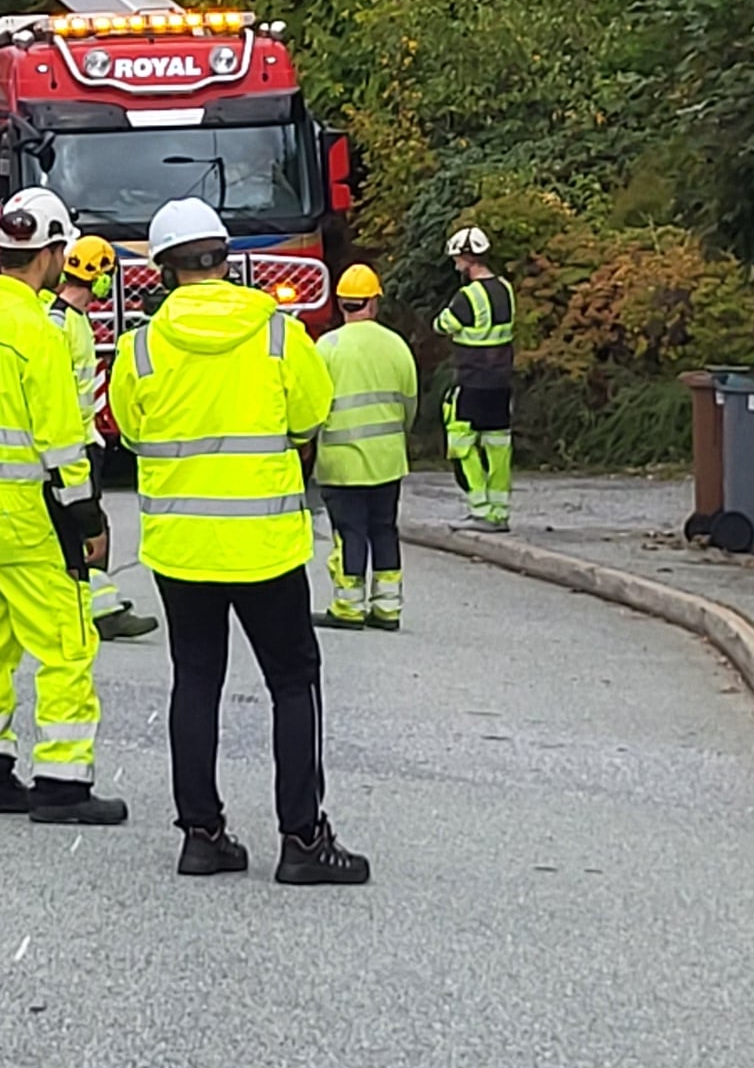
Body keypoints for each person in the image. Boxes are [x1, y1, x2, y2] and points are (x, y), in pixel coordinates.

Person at [108, 195, 365, 885]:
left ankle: (202, 835)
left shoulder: (139, 347)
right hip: (266, 545)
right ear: (227, 261)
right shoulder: (279, 334)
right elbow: (312, 415)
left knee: (195, 679)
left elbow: (130, 431)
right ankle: (304, 841)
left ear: (162, 270)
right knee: (292, 682)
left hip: (181, 547)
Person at [0, 188, 124, 824]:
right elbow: (63, 442)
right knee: (65, 642)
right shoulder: (39, 333)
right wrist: (88, 520)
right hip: (27, 513)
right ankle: (63, 784)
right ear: (49, 253)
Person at [50, 233, 158, 641]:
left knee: (83, 527)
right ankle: (99, 610)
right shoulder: (65, 324)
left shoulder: (65, 319)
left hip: (80, 438)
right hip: (73, 444)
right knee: (87, 526)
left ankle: (94, 605)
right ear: (98, 279)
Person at [315, 263, 419, 631]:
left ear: (341, 303)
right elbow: (410, 403)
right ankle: (388, 608)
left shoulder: (327, 348)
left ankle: (349, 607)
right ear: (374, 302)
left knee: (349, 531)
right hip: (388, 459)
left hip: (341, 462)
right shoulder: (397, 346)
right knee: (384, 529)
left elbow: (312, 406)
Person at [435, 225, 515, 529]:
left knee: (462, 443)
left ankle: (480, 509)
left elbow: (442, 324)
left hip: (472, 381)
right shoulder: (505, 289)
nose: (456, 264)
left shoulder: (468, 297)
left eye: (457, 259)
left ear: (468, 259)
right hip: (501, 382)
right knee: (498, 446)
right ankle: (499, 512)